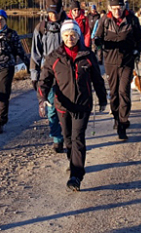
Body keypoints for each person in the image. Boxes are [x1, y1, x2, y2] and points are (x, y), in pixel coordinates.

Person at [37, 20, 107, 191]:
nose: (70, 38)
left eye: (73, 35)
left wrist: (103, 98)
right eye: (67, 35)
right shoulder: (54, 57)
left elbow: (97, 80)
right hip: (62, 105)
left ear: (78, 36)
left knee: (77, 138)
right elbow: (44, 80)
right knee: (67, 137)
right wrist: (42, 98)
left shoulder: (87, 56)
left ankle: (76, 175)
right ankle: (72, 159)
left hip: (82, 105)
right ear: (62, 36)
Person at [93, 0, 141, 140]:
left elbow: (140, 38)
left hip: (127, 61)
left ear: (123, 7)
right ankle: (116, 117)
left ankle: (123, 124)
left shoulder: (132, 20)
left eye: (120, 7)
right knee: (114, 94)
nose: (117, 11)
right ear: (110, 8)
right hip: (110, 63)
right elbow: (97, 37)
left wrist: (137, 50)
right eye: (114, 8)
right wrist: (98, 43)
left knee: (124, 93)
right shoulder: (105, 20)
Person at [30, 0, 67, 152]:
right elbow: (35, 54)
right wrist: (34, 75)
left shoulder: (69, 26)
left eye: (55, 12)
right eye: (50, 12)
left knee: (67, 109)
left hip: (67, 74)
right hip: (49, 74)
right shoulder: (41, 28)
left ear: (61, 10)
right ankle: (57, 139)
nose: (53, 16)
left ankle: (68, 136)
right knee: (51, 109)